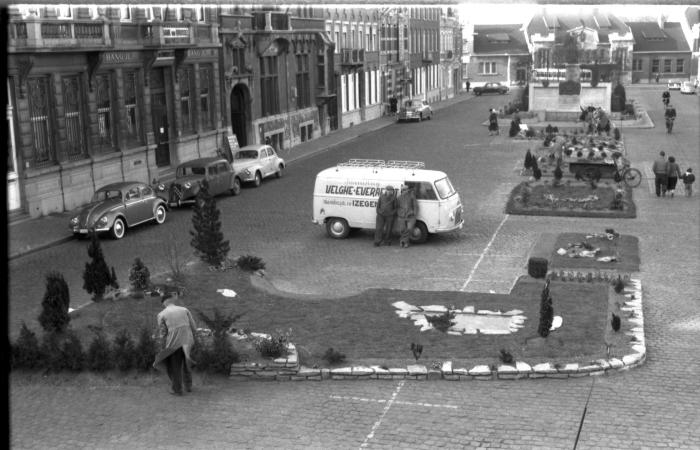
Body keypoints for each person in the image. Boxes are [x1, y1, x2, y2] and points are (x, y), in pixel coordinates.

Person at [153, 292, 197, 395]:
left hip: (174, 343)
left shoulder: (162, 314)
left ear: (165, 302)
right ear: (172, 301)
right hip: (188, 341)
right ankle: (188, 386)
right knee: (186, 363)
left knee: (174, 366)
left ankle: (177, 389)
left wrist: (162, 344)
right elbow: (194, 327)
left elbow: (163, 332)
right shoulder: (184, 310)